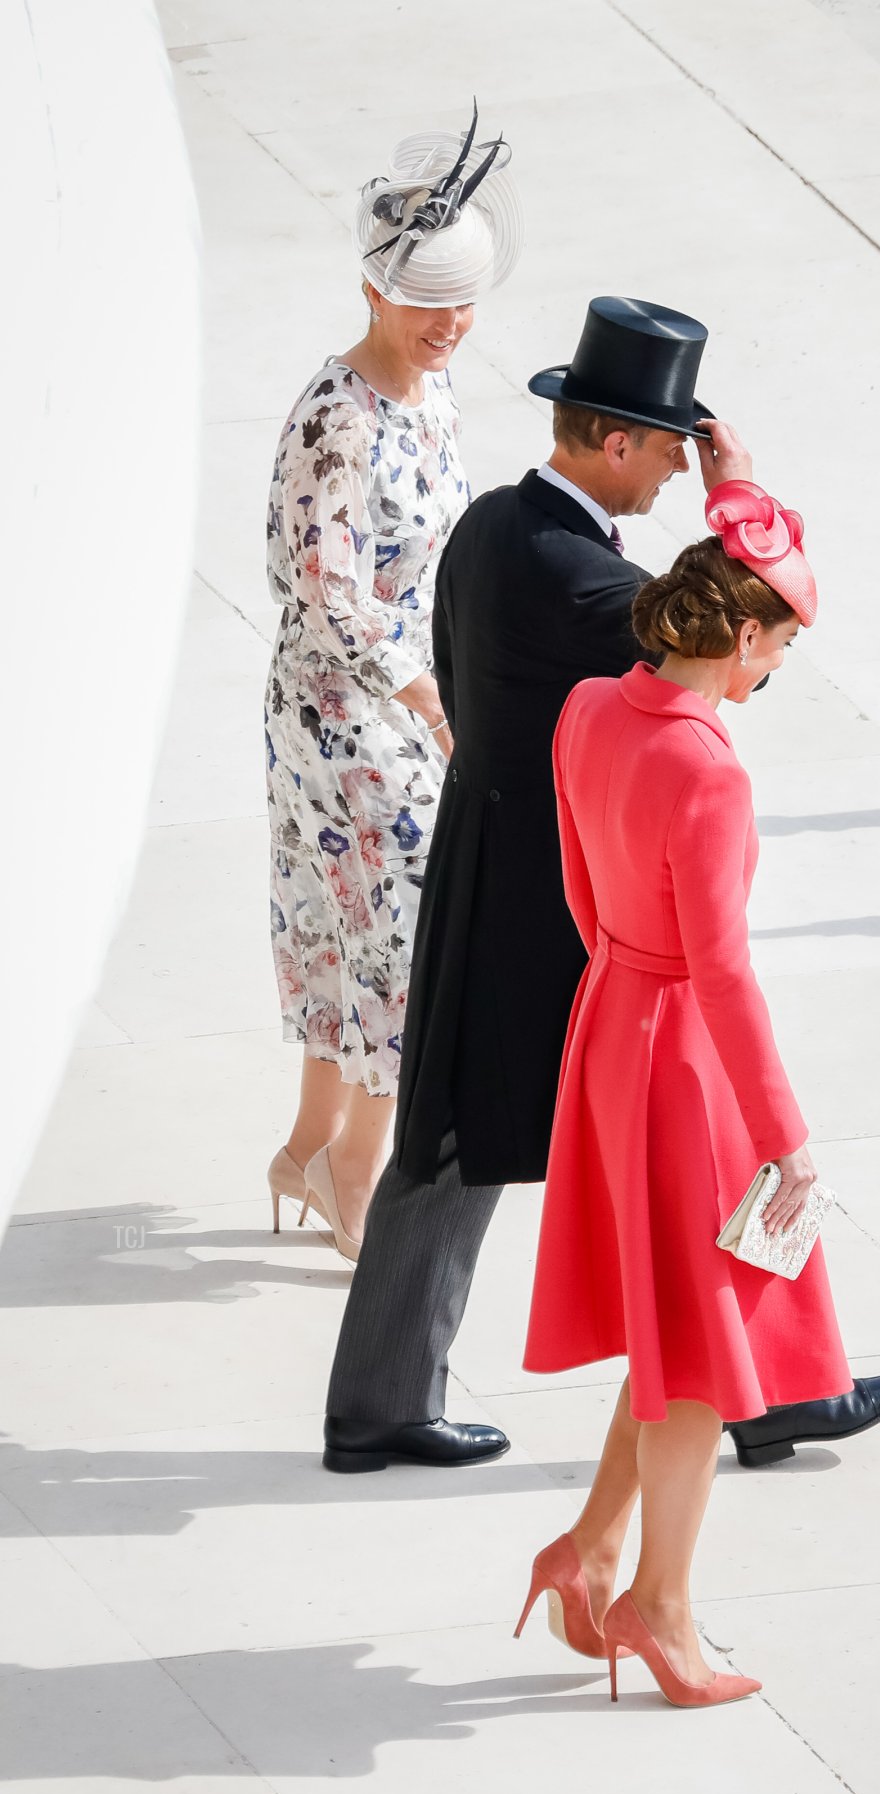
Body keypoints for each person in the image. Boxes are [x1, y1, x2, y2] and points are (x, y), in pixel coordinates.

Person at [323, 298, 880, 1471]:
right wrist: (740, 500)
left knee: (454, 1140)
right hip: (564, 910)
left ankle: (385, 1402)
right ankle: (767, 1393)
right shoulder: (578, 577)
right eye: (665, 453)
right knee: (698, 1137)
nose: (668, 481)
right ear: (618, 445)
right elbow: (734, 627)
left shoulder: (496, 527)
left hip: (490, 876)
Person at [516, 484, 861, 1706]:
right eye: (783, 644)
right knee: (707, 1348)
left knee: (672, 1322)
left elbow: (578, 889)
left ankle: (593, 1551)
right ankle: (660, 1610)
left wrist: (624, 987)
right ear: (746, 639)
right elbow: (723, 972)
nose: (781, 667)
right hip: (683, 1062)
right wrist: (788, 1136)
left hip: (608, 1024)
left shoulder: (587, 709)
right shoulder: (709, 768)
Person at [262, 109, 521, 1260]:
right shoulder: (337, 420)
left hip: (413, 697)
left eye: (463, 302)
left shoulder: (433, 392)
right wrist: (432, 697)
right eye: (427, 303)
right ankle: (353, 1169)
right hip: (351, 720)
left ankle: (309, 1149)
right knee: (394, 943)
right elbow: (326, 589)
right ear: (374, 292)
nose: (449, 324)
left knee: (349, 931)